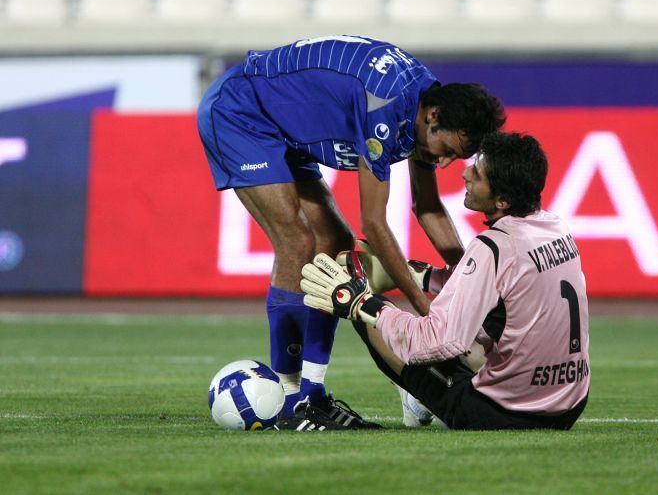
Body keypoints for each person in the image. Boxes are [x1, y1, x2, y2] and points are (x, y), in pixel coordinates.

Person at [196, 35, 505, 428]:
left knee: (337, 247)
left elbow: (427, 207)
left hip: (285, 126)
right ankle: (290, 397)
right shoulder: (387, 106)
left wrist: (469, 281)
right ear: (433, 116)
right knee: (297, 240)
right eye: (446, 150)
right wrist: (427, 310)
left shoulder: (424, 106)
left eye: (455, 158)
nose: (443, 163)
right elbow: (373, 223)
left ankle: (312, 393)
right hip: (242, 111)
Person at [299, 132, 590, 430]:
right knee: (487, 326)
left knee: (373, 315)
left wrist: (362, 303)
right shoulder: (556, 227)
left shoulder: (493, 245)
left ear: (502, 200)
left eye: (477, 174)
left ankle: (417, 399)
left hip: (507, 413)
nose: (465, 174)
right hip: (570, 404)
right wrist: (420, 276)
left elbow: (438, 341)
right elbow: (497, 286)